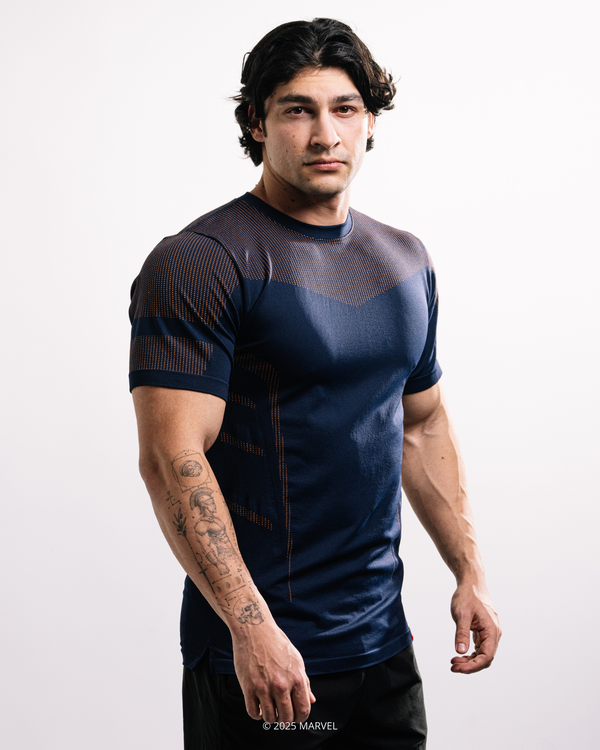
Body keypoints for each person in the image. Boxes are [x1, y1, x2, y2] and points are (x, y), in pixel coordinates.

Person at [129, 17, 501, 750]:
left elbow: (421, 423)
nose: (325, 134)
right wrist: (251, 629)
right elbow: (172, 460)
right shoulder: (201, 261)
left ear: (370, 121)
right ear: (256, 122)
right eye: (298, 110)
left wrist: (470, 571)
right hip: (266, 659)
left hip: (384, 648)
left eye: (345, 109)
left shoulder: (405, 259)